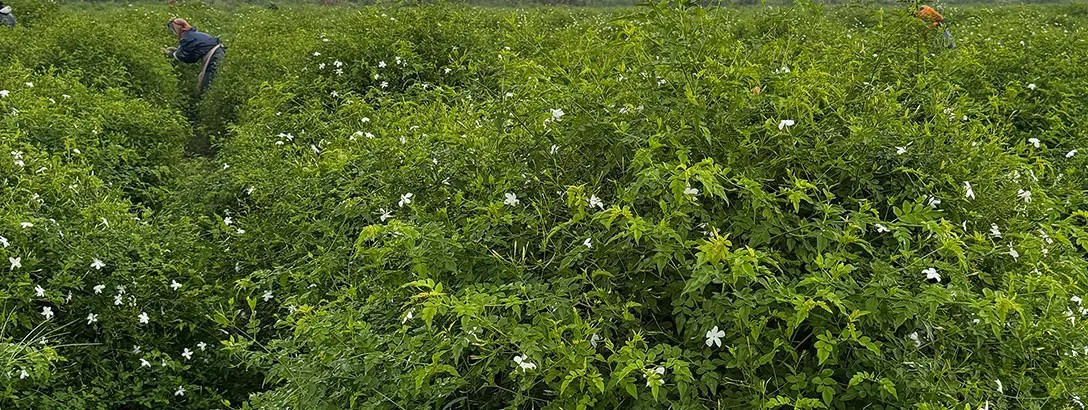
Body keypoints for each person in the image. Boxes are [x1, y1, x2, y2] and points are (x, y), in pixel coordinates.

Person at [163, 18, 225, 94]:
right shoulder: (193, 34)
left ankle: (207, 101)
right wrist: (176, 51)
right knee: (213, 82)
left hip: (214, 57)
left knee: (206, 86)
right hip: (219, 53)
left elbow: (182, 56)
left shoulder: (187, 37)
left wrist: (169, 53)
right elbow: (192, 57)